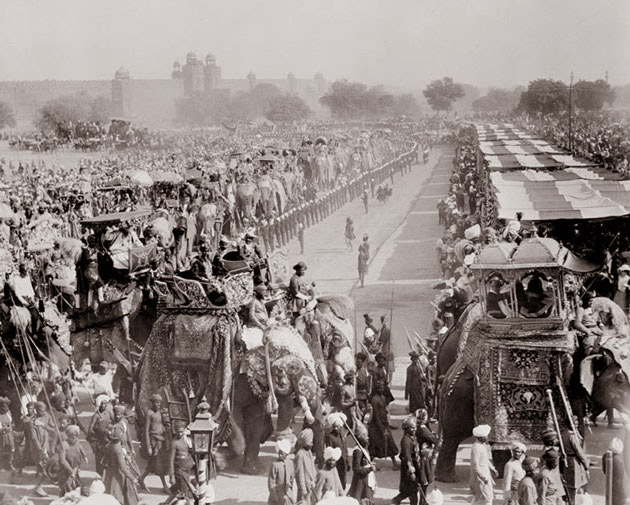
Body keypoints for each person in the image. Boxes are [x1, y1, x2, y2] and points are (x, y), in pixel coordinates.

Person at [138, 394, 170, 494]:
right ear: (152, 403)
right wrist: (148, 447)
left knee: (152, 464)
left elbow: (163, 424)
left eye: (159, 403)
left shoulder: (160, 412)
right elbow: (146, 431)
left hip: (161, 440)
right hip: (153, 442)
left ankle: (141, 478)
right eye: (156, 402)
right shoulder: (149, 413)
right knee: (159, 464)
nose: (158, 405)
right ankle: (164, 485)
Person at [368, 379, 398, 470]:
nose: (382, 389)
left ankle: (394, 463)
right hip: (377, 426)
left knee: (390, 443)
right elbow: (376, 416)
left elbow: (384, 409)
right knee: (374, 446)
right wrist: (382, 429)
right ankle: (370, 463)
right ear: (376, 389)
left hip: (384, 424)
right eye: (380, 388)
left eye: (382, 387)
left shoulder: (382, 397)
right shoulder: (375, 399)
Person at [391, 416, 421, 505]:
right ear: (407, 429)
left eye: (415, 427)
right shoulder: (406, 441)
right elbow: (407, 456)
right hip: (408, 468)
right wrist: (411, 470)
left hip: (414, 465)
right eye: (412, 428)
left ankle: (396, 500)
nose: (414, 429)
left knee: (410, 489)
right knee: (412, 489)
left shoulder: (412, 437)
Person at [104, 431, 139, 505]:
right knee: (122, 497)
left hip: (111, 473)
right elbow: (122, 467)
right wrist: (132, 478)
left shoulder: (109, 445)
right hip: (119, 475)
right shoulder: (118, 449)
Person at [561, 424, 590, 503]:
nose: (576, 425)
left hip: (567, 460)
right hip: (574, 462)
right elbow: (579, 451)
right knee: (576, 485)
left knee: (569, 484)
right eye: (574, 423)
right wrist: (586, 464)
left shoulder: (564, 434)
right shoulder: (571, 436)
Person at [469, 424, 497, 505]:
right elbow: (475, 466)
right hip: (481, 478)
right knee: (487, 498)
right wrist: (484, 477)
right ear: (480, 437)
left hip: (485, 475)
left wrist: (493, 469)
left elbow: (486, 460)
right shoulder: (476, 448)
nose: (487, 438)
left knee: (480, 497)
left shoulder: (482, 446)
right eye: (486, 436)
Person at [348, 422, 376, 502]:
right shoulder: (358, 451)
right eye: (364, 436)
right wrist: (369, 469)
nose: (367, 438)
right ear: (359, 438)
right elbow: (356, 469)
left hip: (367, 479)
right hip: (361, 481)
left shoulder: (364, 447)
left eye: (367, 436)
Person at [57, 425, 88, 495]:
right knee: (67, 487)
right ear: (67, 435)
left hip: (75, 467)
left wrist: (85, 456)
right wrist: (71, 471)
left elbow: (81, 448)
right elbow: (62, 460)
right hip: (65, 470)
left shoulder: (77, 442)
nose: (73, 437)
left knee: (78, 486)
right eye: (71, 435)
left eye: (75, 435)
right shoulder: (64, 445)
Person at [169, 421, 194, 498]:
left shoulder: (186, 439)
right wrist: (171, 476)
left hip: (187, 469)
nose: (180, 434)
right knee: (183, 493)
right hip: (180, 471)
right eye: (178, 432)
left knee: (182, 491)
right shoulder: (174, 443)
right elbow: (171, 460)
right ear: (175, 431)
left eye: (181, 432)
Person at [603, 438, 630, 505]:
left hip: (611, 490)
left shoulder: (605, 456)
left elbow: (605, 471)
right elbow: (620, 481)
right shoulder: (619, 462)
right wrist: (624, 496)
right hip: (618, 494)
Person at [268, 439, 295, 505]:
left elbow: (291, 478)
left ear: (286, 454)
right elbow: (271, 482)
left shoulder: (290, 463)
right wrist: (274, 496)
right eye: (279, 453)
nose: (280, 455)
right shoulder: (275, 465)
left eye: (282, 454)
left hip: (287, 492)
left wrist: (290, 491)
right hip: (277, 493)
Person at [325, 413, 348, 489]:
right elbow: (330, 451)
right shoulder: (330, 437)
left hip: (343, 462)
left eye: (337, 427)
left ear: (341, 427)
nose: (335, 428)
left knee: (343, 481)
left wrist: (347, 461)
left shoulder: (342, 436)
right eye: (334, 426)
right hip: (336, 464)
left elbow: (345, 449)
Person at [294, 428, 317, 505]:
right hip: (304, 488)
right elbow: (299, 474)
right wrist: (303, 490)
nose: (312, 444)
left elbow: (312, 467)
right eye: (310, 442)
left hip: (311, 486)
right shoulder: (300, 455)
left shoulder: (309, 452)